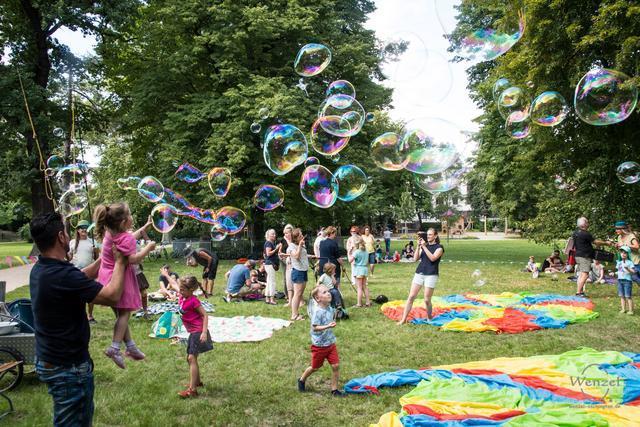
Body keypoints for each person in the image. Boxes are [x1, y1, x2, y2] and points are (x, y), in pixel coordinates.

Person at [30, 212, 128, 426]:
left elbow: (80, 276)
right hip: (67, 367)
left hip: (51, 359)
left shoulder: (42, 268)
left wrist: (104, 258)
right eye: (65, 231)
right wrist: (120, 262)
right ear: (61, 237)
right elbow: (112, 296)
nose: (67, 234)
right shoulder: (62, 275)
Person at [94, 202, 156, 369]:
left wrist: (144, 228)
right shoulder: (125, 238)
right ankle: (115, 348)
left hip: (106, 276)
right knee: (125, 314)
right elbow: (134, 259)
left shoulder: (109, 232)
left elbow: (128, 239)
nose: (132, 217)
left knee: (120, 314)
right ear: (123, 223)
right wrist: (148, 248)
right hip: (120, 278)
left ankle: (130, 346)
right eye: (129, 215)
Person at [297, 286, 345, 397]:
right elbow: (315, 327)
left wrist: (335, 315)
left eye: (328, 291)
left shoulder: (329, 308)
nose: (329, 293)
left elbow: (331, 316)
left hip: (330, 343)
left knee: (335, 365)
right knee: (315, 367)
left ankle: (334, 390)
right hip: (319, 346)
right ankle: (301, 379)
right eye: (325, 292)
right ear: (318, 299)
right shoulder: (317, 312)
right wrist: (328, 325)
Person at [177, 275, 213, 398]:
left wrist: (203, 332)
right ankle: (197, 382)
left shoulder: (193, 300)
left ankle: (192, 390)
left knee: (191, 358)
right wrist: (166, 275)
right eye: (180, 289)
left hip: (197, 331)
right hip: (193, 331)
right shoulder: (183, 296)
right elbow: (174, 284)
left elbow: (205, 315)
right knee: (191, 358)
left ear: (191, 290)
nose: (180, 291)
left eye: (182, 290)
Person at [397, 229, 444, 325]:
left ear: (435, 236)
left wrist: (423, 246)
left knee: (427, 300)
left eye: (430, 235)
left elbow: (432, 258)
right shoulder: (423, 246)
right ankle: (403, 319)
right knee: (411, 296)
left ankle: (429, 317)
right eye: (427, 234)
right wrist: (418, 247)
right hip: (419, 273)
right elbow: (415, 259)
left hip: (431, 274)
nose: (428, 236)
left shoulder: (439, 248)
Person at [69, 220, 100, 324]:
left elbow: (96, 258)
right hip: (76, 271)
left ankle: (90, 316)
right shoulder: (73, 242)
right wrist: (65, 253)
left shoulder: (93, 242)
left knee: (90, 294)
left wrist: (96, 252)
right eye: (81, 227)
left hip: (90, 271)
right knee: (76, 295)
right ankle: (78, 315)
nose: (84, 229)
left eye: (86, 227)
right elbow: (69, 258)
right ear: (77, 230)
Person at [573, 217, 607, 297]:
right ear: (584, 224)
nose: (588, 224)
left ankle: (580, 292)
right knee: (585, 274)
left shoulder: (576, 233)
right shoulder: (585, 233)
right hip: (584, 256)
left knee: (582, 274)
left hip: (578, 255)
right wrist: (606, 243)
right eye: (587, 222)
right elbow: (595, 242)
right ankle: (578, 293)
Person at [288, 228, 309, 321]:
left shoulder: (301, 245)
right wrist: (300, 246)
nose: (302, 236)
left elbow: (303, 256)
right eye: (300, 235)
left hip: (304, 270)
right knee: (297, 294)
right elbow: (296, 256)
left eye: (301, 234)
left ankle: (297, 313)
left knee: (300, 294)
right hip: (298, 271)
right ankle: (294, 315)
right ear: (295, 238)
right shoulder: (291, 246)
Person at [349, 237, 371, 307]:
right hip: (365, 269)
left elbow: (350, 260)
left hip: (358, 270)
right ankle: (368, 302)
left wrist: (349, 252)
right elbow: (367, 262)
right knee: (364, 286)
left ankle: (359, 304)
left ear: (357, 244)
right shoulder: (366, 252)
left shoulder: (357, 252)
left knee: (359, 288)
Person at [263, 229, 282, 305]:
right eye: (272, 234)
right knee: (272, 282)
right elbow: (268, 254)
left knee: (269, 281)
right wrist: (276, 248)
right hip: (270, 264)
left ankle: (267, 298)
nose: (274, 235)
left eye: (274, 234)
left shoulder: (269, 243)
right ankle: (272, 299)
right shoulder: (268, 243)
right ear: (268, 235)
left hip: (268, 264)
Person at [616, 247, 635, 315]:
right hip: (620, 281)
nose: (623, 254)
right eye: (622, 252)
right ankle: (623, 309)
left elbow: (633, 272)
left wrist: (628, 269)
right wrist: (615, 273)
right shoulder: (619, 262)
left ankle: (630, 310)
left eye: (625, 253)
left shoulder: (630, 262)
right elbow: (619, 270)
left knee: (628, 296)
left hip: (627, 281)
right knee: (621, 296)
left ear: (628, 254)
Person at [280, 224, 294, 306]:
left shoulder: (294, 240)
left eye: (287, 233)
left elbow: (292, 248)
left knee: (293, 279)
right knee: (286, 278)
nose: (285, 235)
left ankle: (295, 297)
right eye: (284, 233)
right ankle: (288, 297)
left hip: (293, 262)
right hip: (285, 261)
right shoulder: (283, 240)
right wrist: (280, 254)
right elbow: (280, 250)